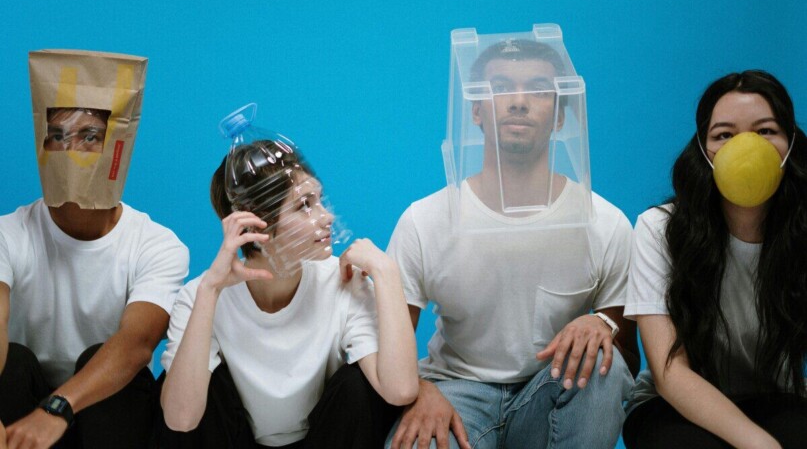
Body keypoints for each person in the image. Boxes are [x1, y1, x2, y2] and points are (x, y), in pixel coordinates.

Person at [386, 34, 639, 449]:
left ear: (559, 117)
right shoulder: (424, 220)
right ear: (476, 111)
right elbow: (383, 348)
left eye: (539, 90)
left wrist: (602, 325)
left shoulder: (606, 223)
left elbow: (627, 359)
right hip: (456, 391)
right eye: (500, 88)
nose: (518, 102)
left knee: (601, 364)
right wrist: (421, 389)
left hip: (556, 387)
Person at [159, 138, 419, 449]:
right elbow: (180, 420)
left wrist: (386, 274)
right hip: (238, 439)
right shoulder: (201, 295)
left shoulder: (342, 280)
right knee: (186, 376)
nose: (326, 218)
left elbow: (400, 390)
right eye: (304, 205)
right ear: (257, 225)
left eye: (320, 200)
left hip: (321, 439)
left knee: (359, 386)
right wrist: (210, 290)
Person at [0, 55, 189, 449]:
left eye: (90, 136)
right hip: (22, 414)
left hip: (105, 412)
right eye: (58, 135)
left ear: (116, 148)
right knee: (14, 362)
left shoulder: (157, 245)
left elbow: (138, 343)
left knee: (104, 359)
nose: (72, 151)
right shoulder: (9, 233)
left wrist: (57, 409)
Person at [622, 70, 807, 449]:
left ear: (790, 145)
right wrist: (761, 445)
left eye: (766, 131)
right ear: (703, 152)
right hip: (671, 404)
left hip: (776, 398)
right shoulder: (658, 229)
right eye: (724, 135)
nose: (746, 147)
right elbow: (669, 372)